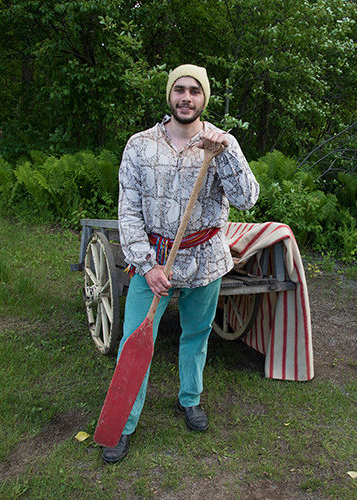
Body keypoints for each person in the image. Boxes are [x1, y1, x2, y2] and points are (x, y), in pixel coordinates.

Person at [104, 64, 259, 464]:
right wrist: (147, 264)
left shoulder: (220, 144)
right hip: (153, 262)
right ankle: (122, 423)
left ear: (204, 98)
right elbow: (129, 212)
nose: (186, 98)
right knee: (133, 341)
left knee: (196, 334)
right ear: (169, 95)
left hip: (204, 260)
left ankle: (189, 399)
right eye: (179, 90)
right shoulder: (139, 145)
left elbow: (247, 198)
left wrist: (227, 151)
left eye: (194, 91)